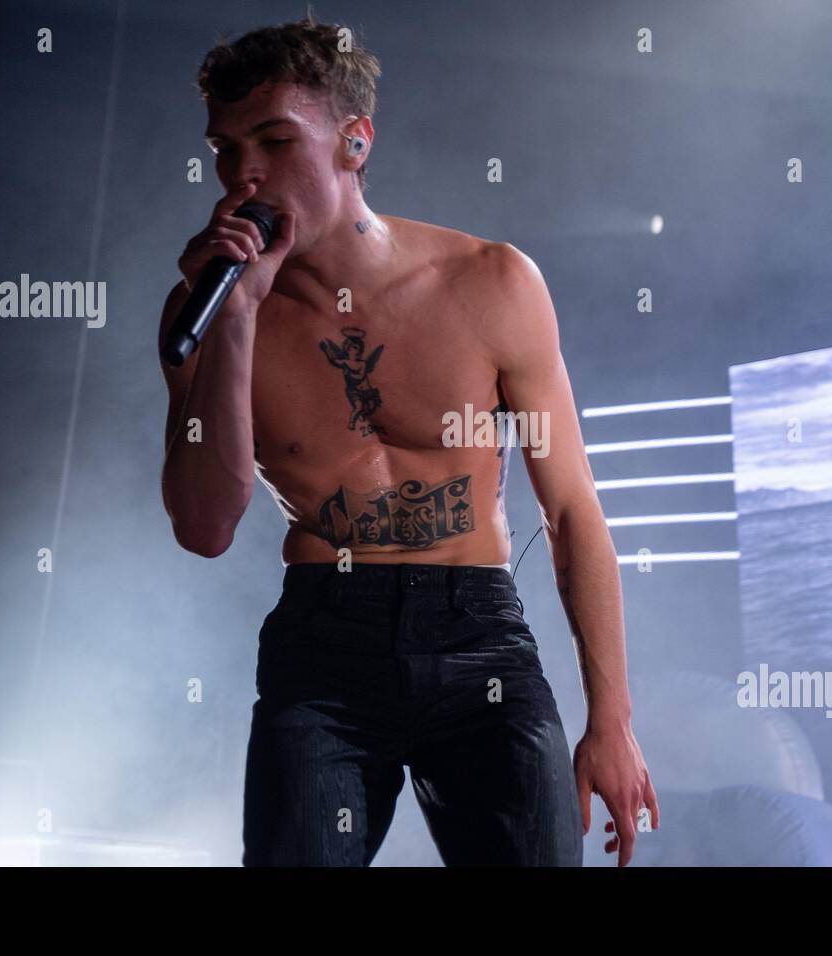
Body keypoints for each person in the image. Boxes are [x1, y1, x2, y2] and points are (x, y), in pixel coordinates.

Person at [158, 14, 658, 866]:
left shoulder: (490, 281)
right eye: (224, 149)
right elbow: (206, 529)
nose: (242, 174)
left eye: (275, 141)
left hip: (480, 640)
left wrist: (609, 721)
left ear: (355, 143)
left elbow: (572, 512)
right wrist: (236, 318)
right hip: (324, 648)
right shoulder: (205, 316)